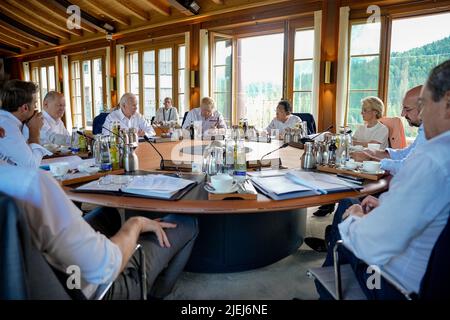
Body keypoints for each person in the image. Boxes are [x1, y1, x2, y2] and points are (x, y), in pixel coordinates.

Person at [315, 59, 450, 300]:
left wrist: (356, 219)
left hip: (395, 285)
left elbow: (371, 244)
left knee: (348, 212)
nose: (419, 114)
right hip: (430, 274)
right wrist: (387, 207)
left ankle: (326, 291)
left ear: (447, 103)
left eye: (423, 104)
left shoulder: (434, 160)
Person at [0, 163, 198, 300]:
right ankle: (155, 292)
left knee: (107, 213)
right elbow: (105, 267)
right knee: (187, 221)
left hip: (55, 274)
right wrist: (135, 224)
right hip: (94, 288)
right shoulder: (30, 183)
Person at [353, 86, 427, 175]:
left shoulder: (434, 135)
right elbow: (403, 154)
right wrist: (373, 153)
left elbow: (407, 167)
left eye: (407, 109)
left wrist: (371, 159)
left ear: (426, 108)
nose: (402, 114)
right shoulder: (424, 131)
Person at [0, 79, 51, 168]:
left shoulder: (9, 121)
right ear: (25, 108)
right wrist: (34, 132)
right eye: (34, 103)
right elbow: (31, 167)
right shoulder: (8, 126)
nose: (35, 107)